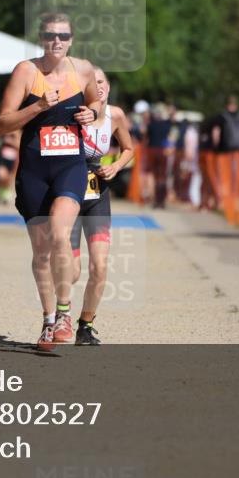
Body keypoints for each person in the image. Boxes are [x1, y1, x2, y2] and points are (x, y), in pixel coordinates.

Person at [0, 12, 102, 351]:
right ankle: (47, 320)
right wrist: (38, 107)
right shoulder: (26, 72)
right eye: (50, 35)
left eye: (63, 35)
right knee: (41, 253)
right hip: (34, 170)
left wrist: (92, 113)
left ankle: (64, 315)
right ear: (41, 38)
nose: (57, 41)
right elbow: (2, 124)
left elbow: (96, 101)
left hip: (70, 166)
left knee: (60, 232)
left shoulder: (82, 69)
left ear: (72, 40)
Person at [66, 67, 134, 345]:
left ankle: (86, 325)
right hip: (68, 193)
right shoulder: (73, 114)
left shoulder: (115, 115)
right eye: (93, 83)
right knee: (71, 272)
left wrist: (115, 167)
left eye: (102, 81)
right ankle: (59, 316)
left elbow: (128, 149)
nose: (100, 86)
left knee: (100, 266)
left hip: (98, 195)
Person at [144, 104, 173, 208]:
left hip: (152, 150)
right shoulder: (167, 125)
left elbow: (146, 138)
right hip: (163, 151)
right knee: (162, 176)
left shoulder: (151, 125)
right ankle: (161, 200)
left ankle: (156, 199)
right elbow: (170, 138)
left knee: (154, 176)